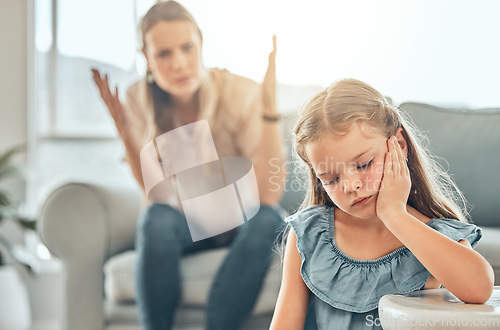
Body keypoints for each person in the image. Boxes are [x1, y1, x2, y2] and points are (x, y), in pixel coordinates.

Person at [91, 1, 286, 329]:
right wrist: (125, 132)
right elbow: (157, 195)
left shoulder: (238, 91)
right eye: (164, 54)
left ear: (201, 45)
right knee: (155, 218)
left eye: (187, 48)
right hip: (187, 221)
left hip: (242, 218)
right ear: (147, 58)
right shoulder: (139, 99)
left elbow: (267, 195)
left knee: (268, 218)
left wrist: (268, 111)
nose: (179, 64)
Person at [269, 78, 494, 329]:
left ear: (397, 145)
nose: (351, 185)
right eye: (331, 179)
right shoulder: (309, 235)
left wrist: (394, 215)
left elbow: (479, 289)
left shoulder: (436, 235)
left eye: (364, 164)